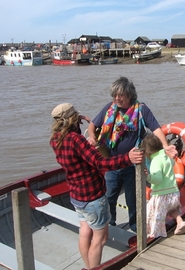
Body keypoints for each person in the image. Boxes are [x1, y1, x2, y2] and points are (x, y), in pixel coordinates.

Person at [49, 103, 143, 269]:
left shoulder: (56, 139)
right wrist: (127, 158)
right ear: (72, 118)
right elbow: (100, 162)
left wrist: (78, 122)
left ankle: (88, 266)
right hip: (92, 197)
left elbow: (76, 150)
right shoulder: (76, 140)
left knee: (85, 233)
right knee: (100, 239)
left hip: (76, 195)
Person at [87, 76, 177, 232]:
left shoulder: (141, 110)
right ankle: (111, 224)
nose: (117, 98)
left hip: (133, 164)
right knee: (110, 196)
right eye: (114, 95)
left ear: (130, 94)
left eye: (120, 95)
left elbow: (156, 129)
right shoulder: (109, 108)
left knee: (133, 199)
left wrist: (166, 146)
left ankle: (136, 229)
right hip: (112, 163)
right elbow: (92, 125)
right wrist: (92, 136)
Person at [141, 134, 185, 238]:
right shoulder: (166, 157)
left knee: (153, 213)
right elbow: (173, 163)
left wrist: (148, 176)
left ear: (147, 151)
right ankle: (180, 222)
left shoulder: (155, 161)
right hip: (174, 193)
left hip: (161, 196)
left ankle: (154, 234)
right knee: (171, 209)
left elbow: (158, 179)